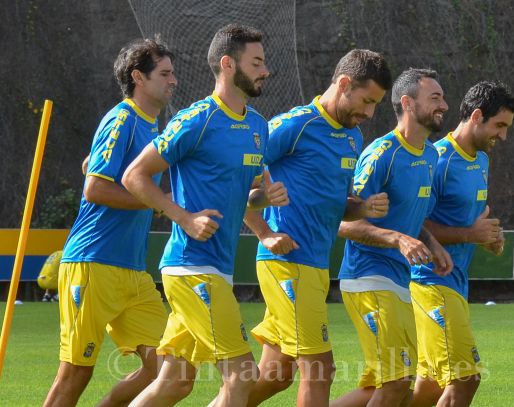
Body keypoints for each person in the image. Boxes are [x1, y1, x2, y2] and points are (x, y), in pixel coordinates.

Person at [122, 24, 288, 407]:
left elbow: (245, 197)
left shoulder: (258, 126)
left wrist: (264, 200)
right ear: (228, 64)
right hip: (192, 268)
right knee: (243, 376)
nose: (265, 71)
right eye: (256, 63)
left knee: (174, 384)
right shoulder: (197, 119)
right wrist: (183, 218)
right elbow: (134, 176)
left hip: (215, 268)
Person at [243, 49, 392, 407]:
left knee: (276, 375)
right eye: (366, 101)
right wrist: (265, 233)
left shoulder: (353, 138)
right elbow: (236, 181)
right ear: (344, 84)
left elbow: (338, 205)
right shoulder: (295, 126)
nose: (369, 113)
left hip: (315, 267)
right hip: (287, 264)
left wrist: (363, 208)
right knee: (320, 369)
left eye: (375, 105)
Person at [43, 38, 177, 407]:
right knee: (76, 372)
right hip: (93, 263)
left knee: (166, 367)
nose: (173, 80)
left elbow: (94, 165)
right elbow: (95, 189)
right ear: (138, 77)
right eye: (164, 73)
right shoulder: (123, 118)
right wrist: (159, 202)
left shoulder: (153, 127)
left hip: (133, 271)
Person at [331, 68, 453, 407]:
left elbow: (409, 215)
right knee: (396, 382)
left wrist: (430, 242)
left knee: (384, 387)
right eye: (435, 98)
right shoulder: (381, 154)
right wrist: (398, 239)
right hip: (368, 278)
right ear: (408, 103)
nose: (444, 105)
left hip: (399, 280)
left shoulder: (431, 155)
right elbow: (342, 223)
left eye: (443, 97)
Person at [409, 81, 514, 407]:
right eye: (499, 125)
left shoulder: (481, 159)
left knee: (429, 387)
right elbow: (413, 222)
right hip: (430, 283)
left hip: (456, 285)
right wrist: (471, 234)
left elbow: (469, 221)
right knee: (465, 378)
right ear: (476, 116)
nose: (503, 136)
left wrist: (490, 237)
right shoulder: (437, 160)